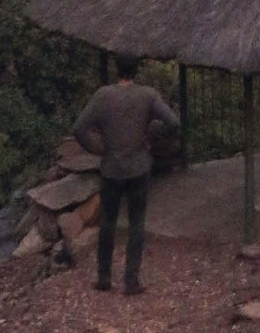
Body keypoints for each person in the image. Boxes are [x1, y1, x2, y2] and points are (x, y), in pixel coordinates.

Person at [72, 53, 181, 295]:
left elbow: (79, 128)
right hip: (139, 166)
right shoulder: (147, 95)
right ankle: (131, 280)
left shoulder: (102, 96)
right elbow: (173, 122)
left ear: (116, 70)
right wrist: (151, 135)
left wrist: (98, 148)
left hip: (111, 168)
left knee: (107, 222)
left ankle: (104, 277)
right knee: (137, 222)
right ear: (137, 70)